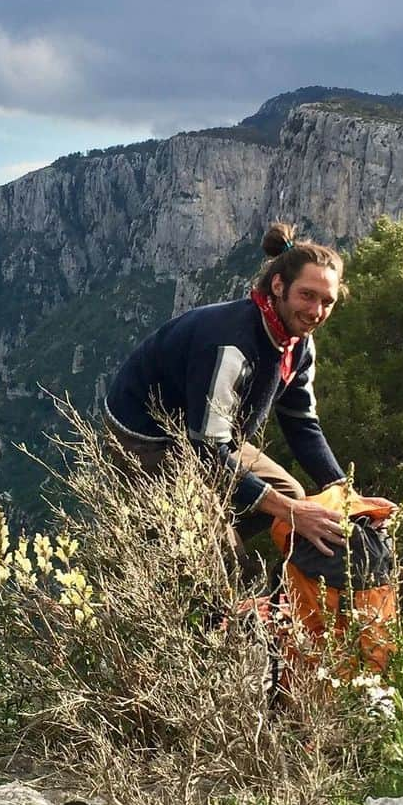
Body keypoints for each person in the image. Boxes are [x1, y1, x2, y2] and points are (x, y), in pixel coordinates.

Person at [104, 222, 349, 558]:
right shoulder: (232, 345)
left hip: (207, 433)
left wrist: (342, 489)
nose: (316, 312)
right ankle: (186, 554)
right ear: (279, 286)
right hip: (147, 438)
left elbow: (300, 422)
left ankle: (193, 539)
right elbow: (206, 452)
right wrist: (289, 512)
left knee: (288, 493)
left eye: (327, 301)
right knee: (222, 553)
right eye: (307, 295)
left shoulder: (297, 345)